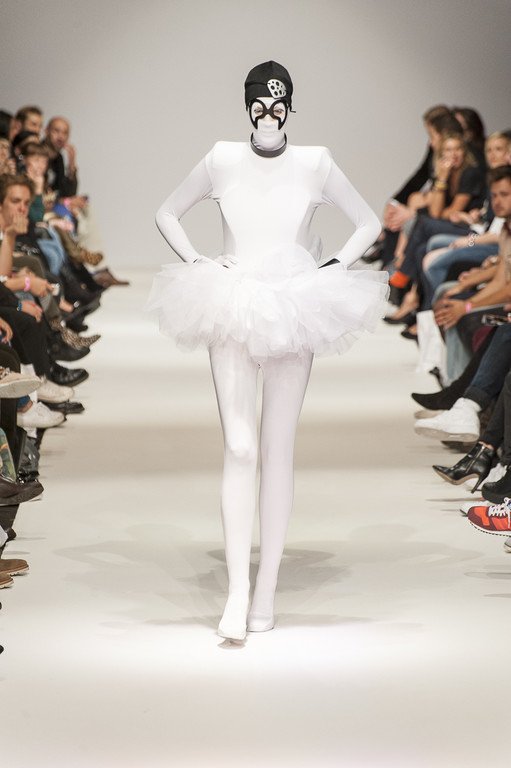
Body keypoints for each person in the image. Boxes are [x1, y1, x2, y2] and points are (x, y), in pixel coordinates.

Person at [148, 61, 388, 641]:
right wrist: (199, 262)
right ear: (248, 106)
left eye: (277, 106)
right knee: (239, 445)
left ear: (289, 108)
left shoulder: (315, 162)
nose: (268, 116)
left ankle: (267, 590)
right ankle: (237, 590)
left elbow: (369, 222)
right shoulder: (222, 158)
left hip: (294, 307)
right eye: (259, 105)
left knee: (278, 449)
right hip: (230, 303)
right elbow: (166, 211)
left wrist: (333, 267)